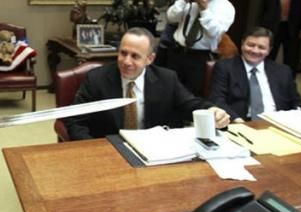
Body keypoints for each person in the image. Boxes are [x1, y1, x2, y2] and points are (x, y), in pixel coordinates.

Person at [63, 27, 230, 140]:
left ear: (150, 59)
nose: (126, 61)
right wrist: (93, 149)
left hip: (152, 151)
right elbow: (75, 120)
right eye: (123, 53)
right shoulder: (97, 79)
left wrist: (212, 110)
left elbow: (190, 104)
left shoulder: (167, 79)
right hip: (110, 151)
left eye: (135, 56)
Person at [209, 27, 301, 122]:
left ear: (269, 50)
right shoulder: (225, 67)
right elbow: (217, 100)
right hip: (241, 122)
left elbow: (296, 101)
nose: (255, 51)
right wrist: (237, 120)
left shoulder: (283, 71)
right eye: (251, 45)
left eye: (261, 47)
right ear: (242, 44)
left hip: (278, 123)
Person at [166, 0, 235, 97]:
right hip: (176, 52)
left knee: (192, 96)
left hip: (200, 58)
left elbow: (215, 32)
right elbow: (171, 17)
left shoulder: (226, 7)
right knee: (169, 91)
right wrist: (184, 0)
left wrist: (204, 10)